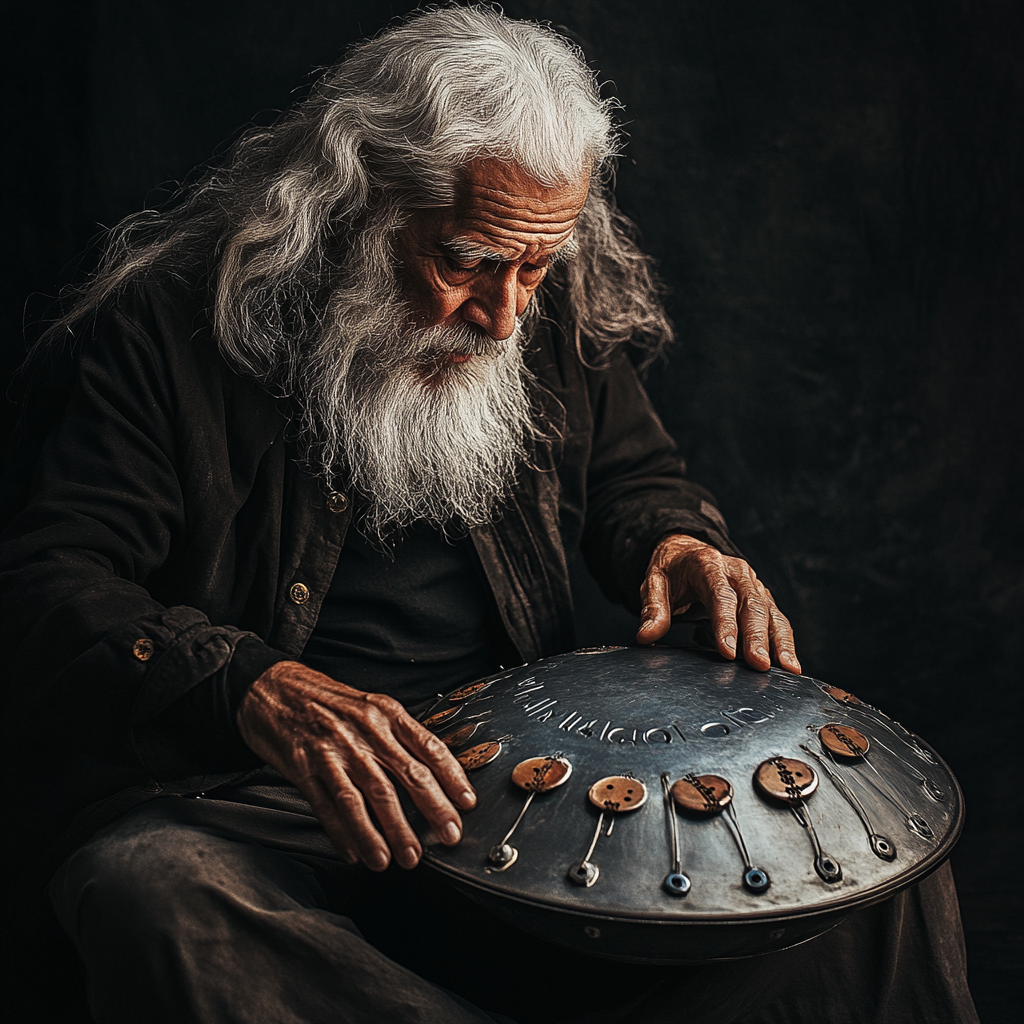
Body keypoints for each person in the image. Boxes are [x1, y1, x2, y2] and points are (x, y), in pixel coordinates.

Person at [0, 6, 976, 1023]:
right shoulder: (164, 330)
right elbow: (44, 582)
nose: (503, 314)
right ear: (356, 203)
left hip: (527, 790)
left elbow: (633, 474)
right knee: (150, 890)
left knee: (869, 857)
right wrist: (251, 687)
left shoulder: (527, 302)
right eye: (464, 259)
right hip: (273, 800)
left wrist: (677, 540)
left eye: (534, 269)